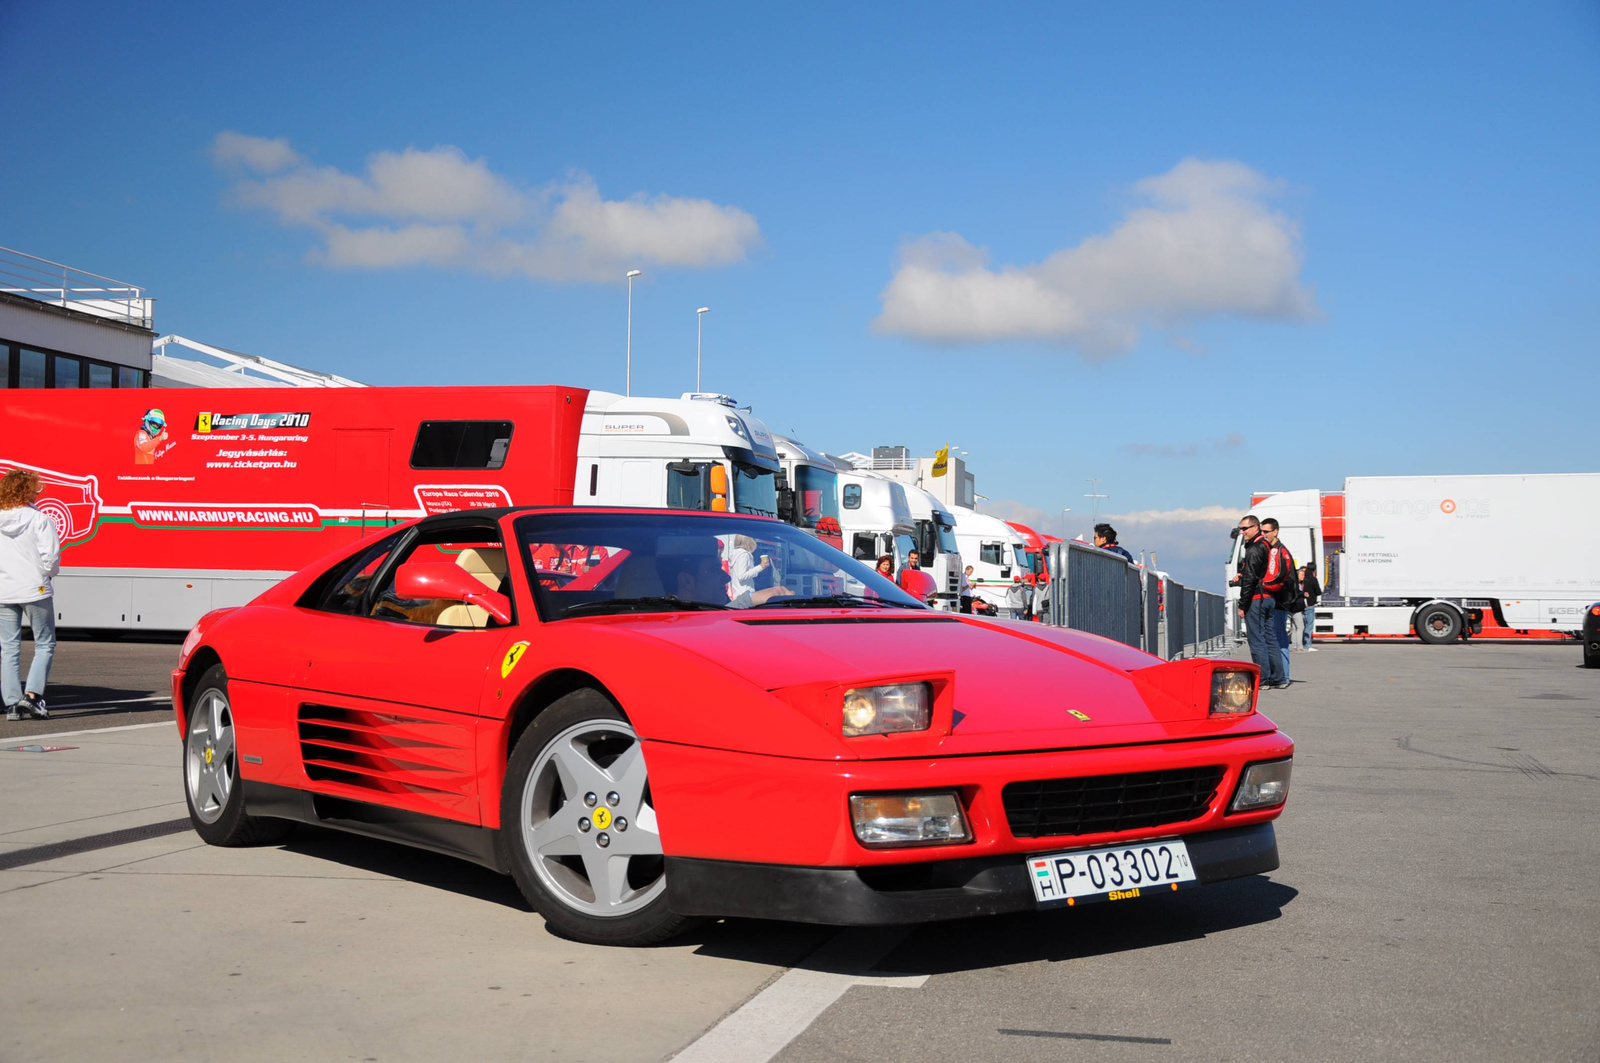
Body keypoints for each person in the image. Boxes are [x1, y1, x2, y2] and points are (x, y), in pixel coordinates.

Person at [1, 469, 61, 720]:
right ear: (27, 491)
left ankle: (12, 704)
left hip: (4, 590)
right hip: (35, 589)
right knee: (45, 644)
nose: (39, 492)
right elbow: (51, 556)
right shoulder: (39, 520)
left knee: (8, 647)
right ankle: (33, 697)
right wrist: (47, 574)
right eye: (36, 489)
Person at [1234, 514, 1284, 689]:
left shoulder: (1255, 548)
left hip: (1257, 599)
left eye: (1245, 528)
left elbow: (1251, 579)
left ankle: (1262, 680)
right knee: (1270, 638)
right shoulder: (1267, 546)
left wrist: (1242, 604)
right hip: (1269, 597)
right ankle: (1279, 678)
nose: (1242, 532)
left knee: (1256, 640)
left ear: (1255, 527)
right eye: (1241, 528)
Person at [662, 553, 791, 608]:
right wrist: (750, 599)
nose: (727, 578)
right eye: (714, 570)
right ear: (687, 581)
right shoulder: (676, 628)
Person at [1259, 518, 1300, 686]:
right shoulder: (1277, 550)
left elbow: (1281, 577)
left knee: (1278, 638)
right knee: (1275, 638)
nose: (1263, 535)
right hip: (1279, 601)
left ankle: (1283, 676)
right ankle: (1280, 675)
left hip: (1278, 602)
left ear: (1275, 531)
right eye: (1261, 531)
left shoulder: (1278, 552)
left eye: (1266, 531)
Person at [725, 534, 770, 599]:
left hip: (737, 593)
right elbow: (741, 576)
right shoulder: (744, 555)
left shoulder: (734, 553)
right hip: (746, 594)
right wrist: (760, 567)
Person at [1300, 561, 1322, 651]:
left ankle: (1300, 644)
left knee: (1301, 626)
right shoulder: (1313, 579)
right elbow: (1318, 592)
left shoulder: (1302, 579)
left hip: (1301, 604)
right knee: (1309, 626)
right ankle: (1307, 645)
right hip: (1310, 604)